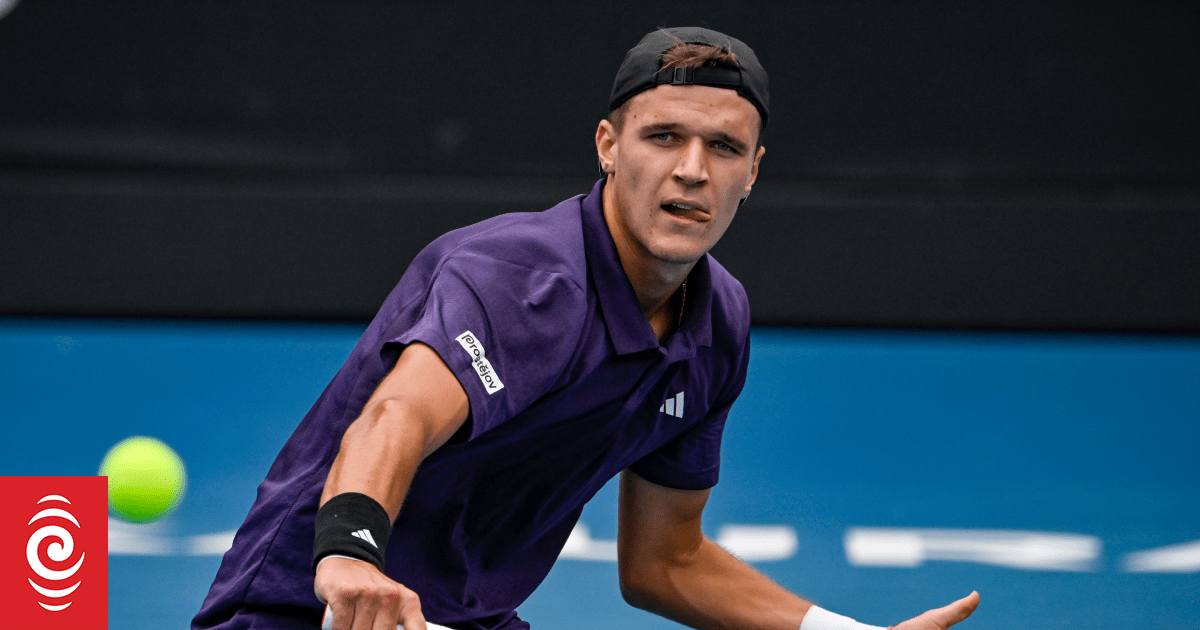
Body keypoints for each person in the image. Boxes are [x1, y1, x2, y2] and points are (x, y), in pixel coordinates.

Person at [193, 27, 980, 630]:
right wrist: (350, 555)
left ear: (754, 171)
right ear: (609, 147)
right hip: (310, 607)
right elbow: (396, 416)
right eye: (663, 137)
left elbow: (664, 562)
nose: (693, 170)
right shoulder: (523, 280)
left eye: (724, 147)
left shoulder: (718, 325)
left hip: (463, 615)